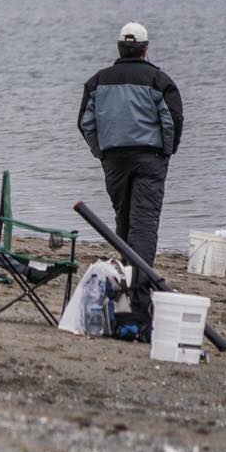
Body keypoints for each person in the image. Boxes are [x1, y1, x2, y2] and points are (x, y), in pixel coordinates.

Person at [77, 22, 183, 320]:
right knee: (144, 225)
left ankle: (127, 290)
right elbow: (171, 121)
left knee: (124, 222)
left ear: (119, 47)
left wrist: (102, 153)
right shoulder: (159, 80)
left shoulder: (98, 81)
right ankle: (138, 297)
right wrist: (166, 151)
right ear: (145, 49)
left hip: (115, 159)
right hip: (149, 157)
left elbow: (85, 123)